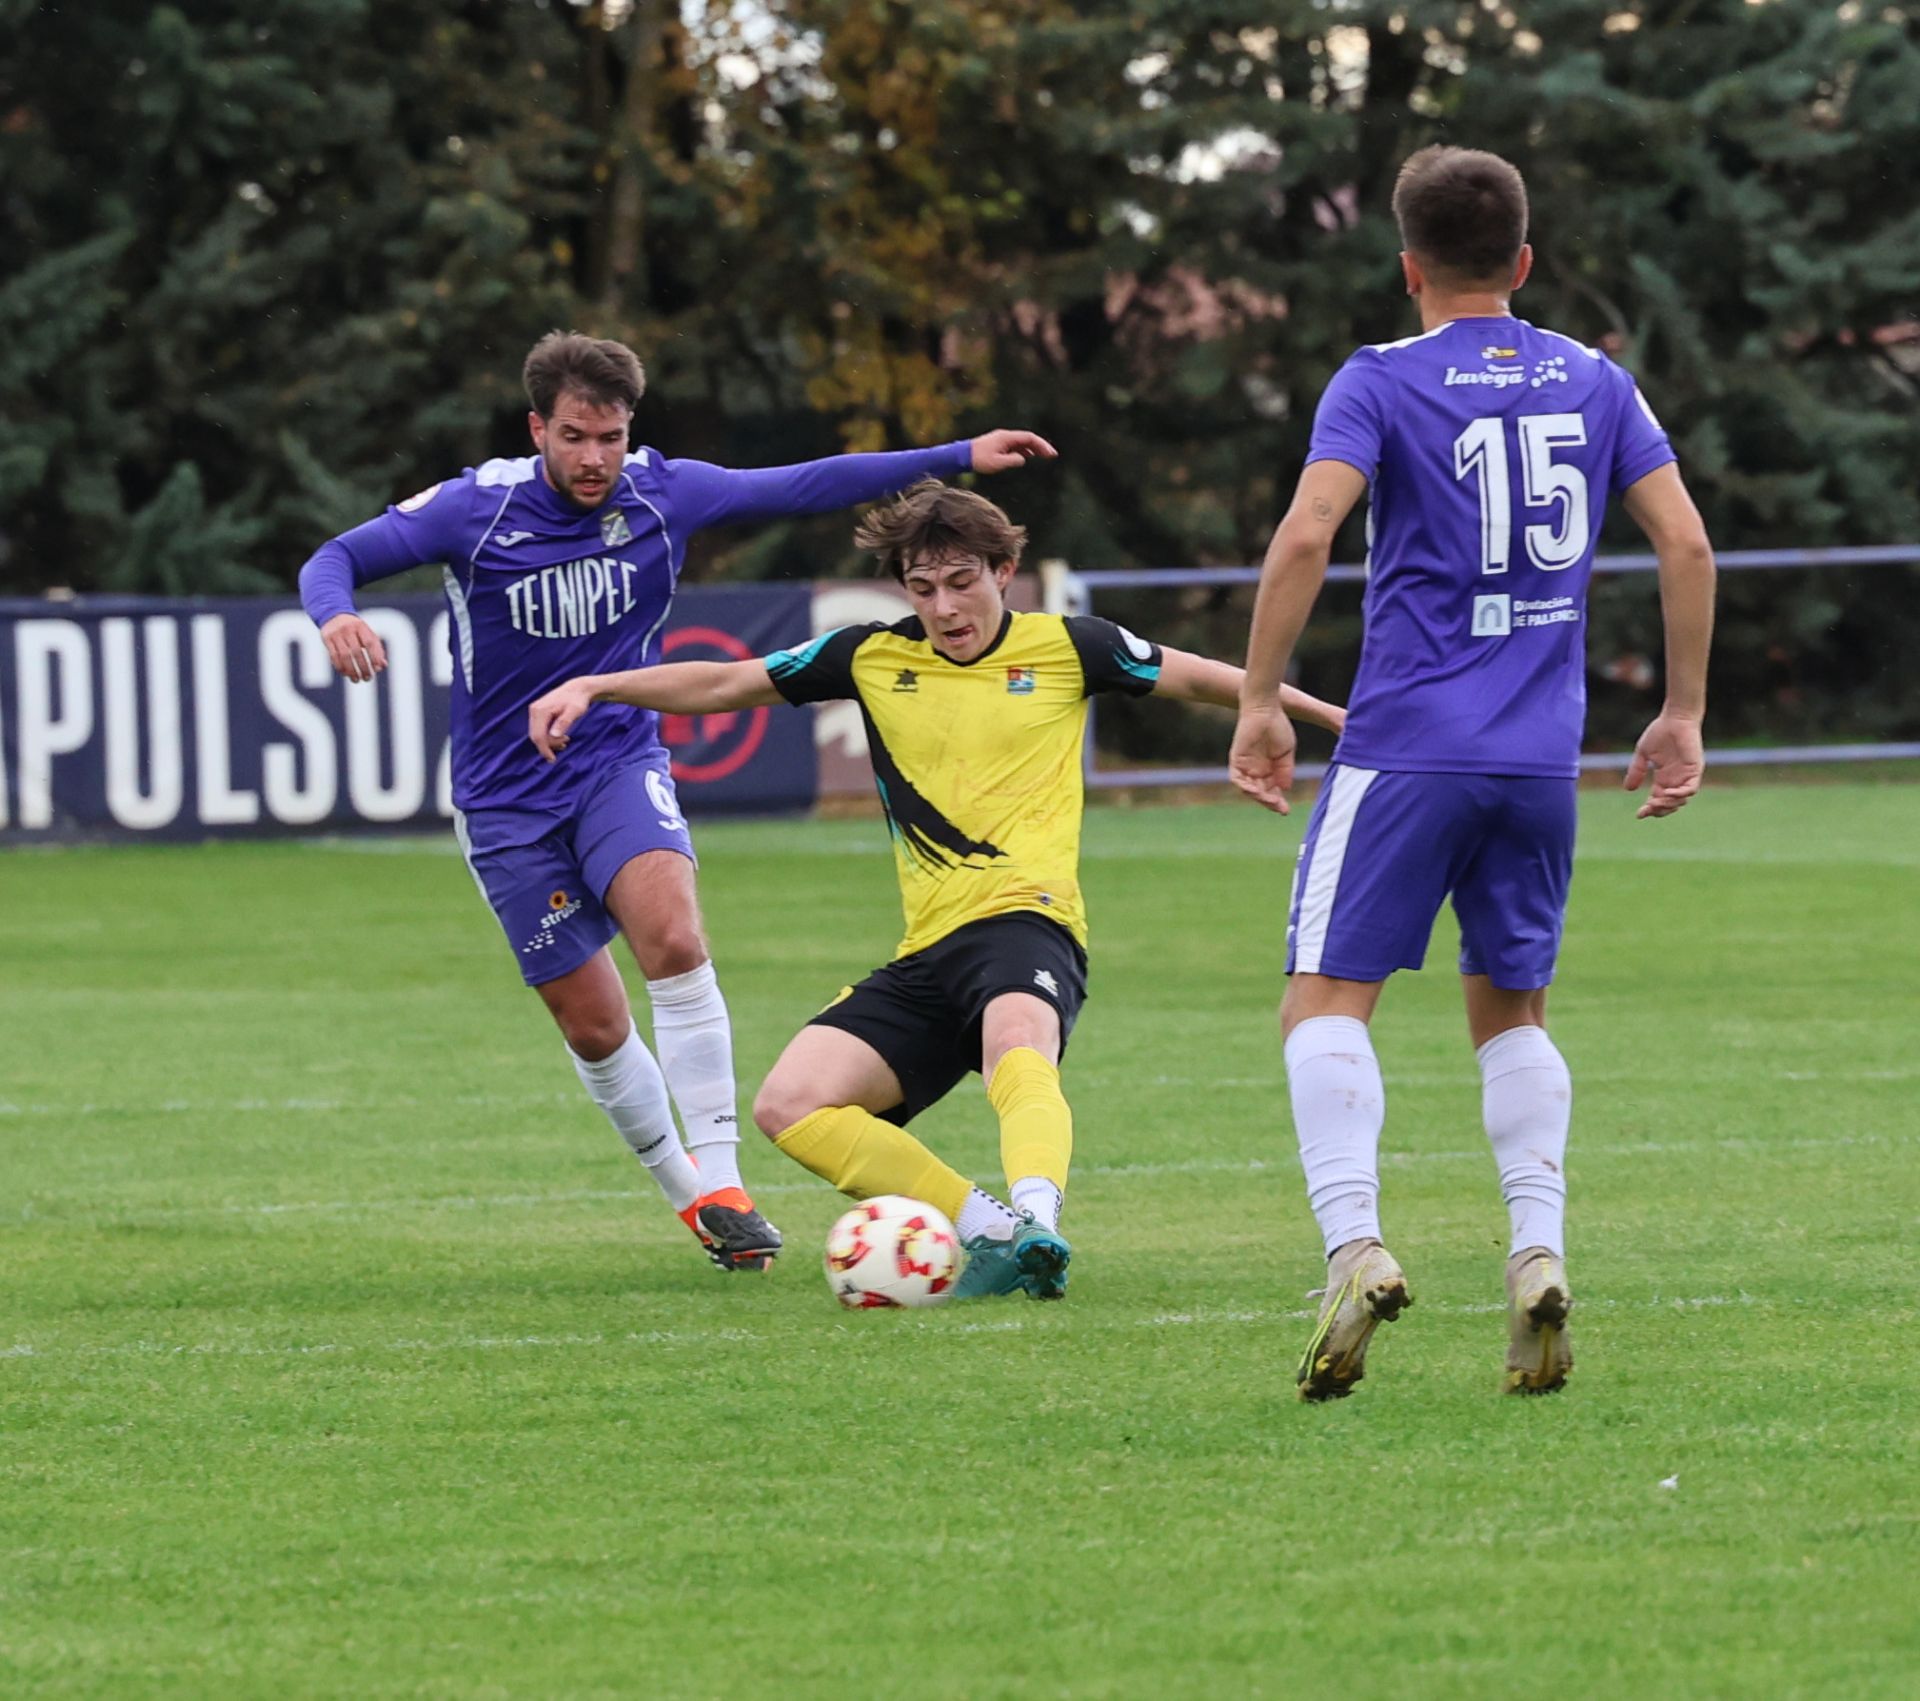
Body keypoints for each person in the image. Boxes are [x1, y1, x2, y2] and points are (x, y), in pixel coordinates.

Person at [297, 331, 1056, 1274]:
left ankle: (728, 1175)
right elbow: (337, 556)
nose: (595, 459)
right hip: (504, 801)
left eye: (612, 437)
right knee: (595, 1024)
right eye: (575, 437)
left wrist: (955, 455)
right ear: (538, 427)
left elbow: (808, 479)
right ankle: (689, 1192)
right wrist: (335, 614)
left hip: (616, 760)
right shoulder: (473, 509)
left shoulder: (666, 492)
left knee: (675, 937)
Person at [529, 480, 1345, 1299]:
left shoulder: (1072, 645)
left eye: (962, 583)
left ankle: (1040, 1219)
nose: (945, 607)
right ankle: (988, 1226)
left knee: (1015, 1044)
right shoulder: (871, 657)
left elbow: (1210, 678)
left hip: (1030, 922)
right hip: (926, 952)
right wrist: (600, 685)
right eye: (923, 588)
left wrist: (1330, 718)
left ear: (1005, 569)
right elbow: (721, 685)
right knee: (791, 1103)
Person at [1230, 145, 1716, 1399]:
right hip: (1537, 765)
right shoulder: (1597, 379)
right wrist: (1681, 712)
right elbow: (1686, 543)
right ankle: (1537, 1253)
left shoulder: (1378, 380)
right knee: (1512, 1012)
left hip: (1402, 750)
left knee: (1322, 1005)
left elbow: (1306, 533)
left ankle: (1354, 1248)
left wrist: (1257, 700)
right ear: (1525, 260)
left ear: (1409, 268)